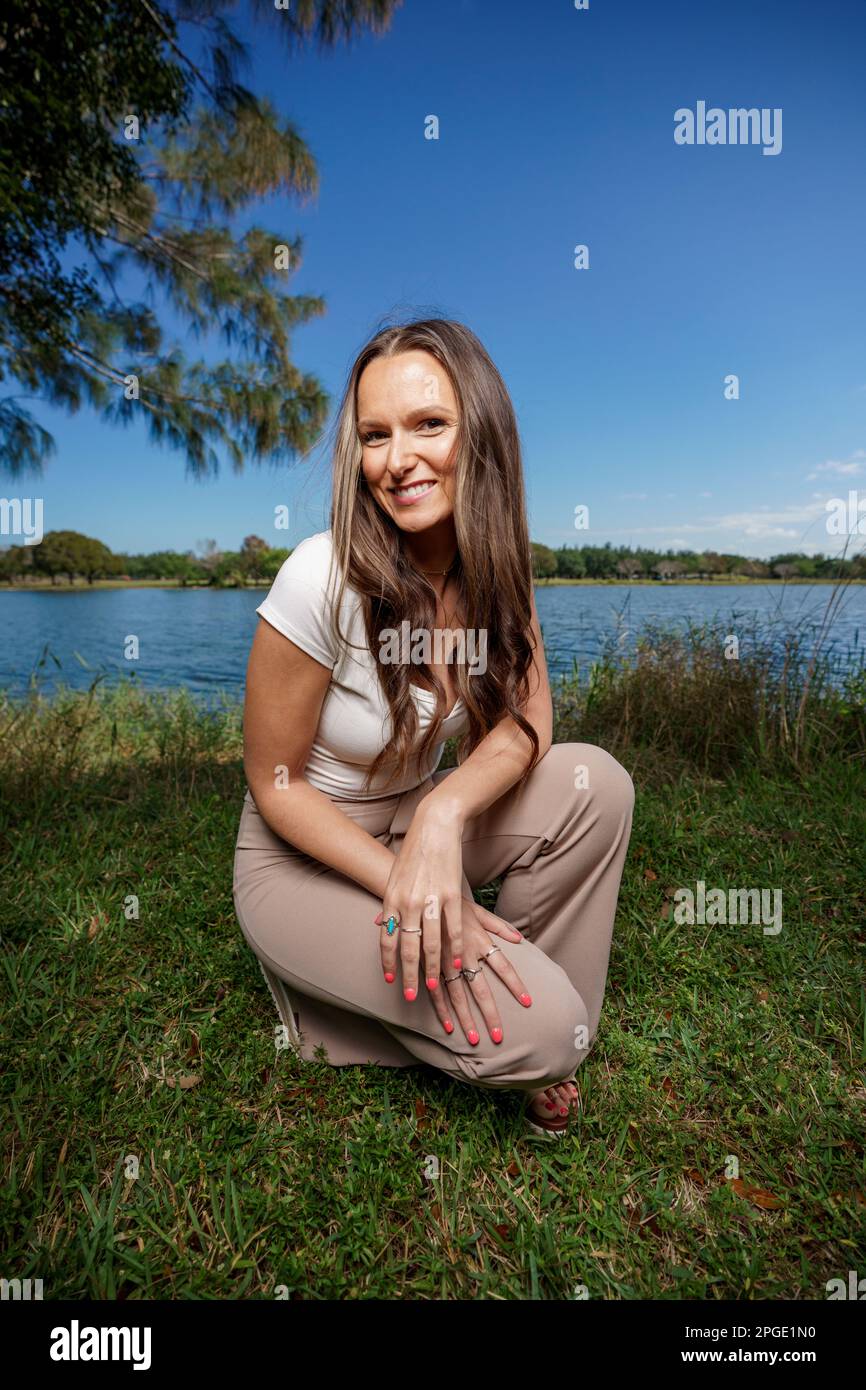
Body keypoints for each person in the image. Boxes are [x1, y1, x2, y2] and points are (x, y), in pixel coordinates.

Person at [233, 318, 634, 1137]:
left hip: (413, 816)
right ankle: (328, 1008)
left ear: (479, 430)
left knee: (598, 787)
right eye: (374, 436)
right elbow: (276, 785)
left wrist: (444, 819)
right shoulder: (321, 573)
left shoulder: (496, 565)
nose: (396, 460)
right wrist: (404, 882)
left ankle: (522, 1000)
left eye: (428, 425)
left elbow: (531, 718)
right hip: (303, 855)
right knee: (549, 1030)